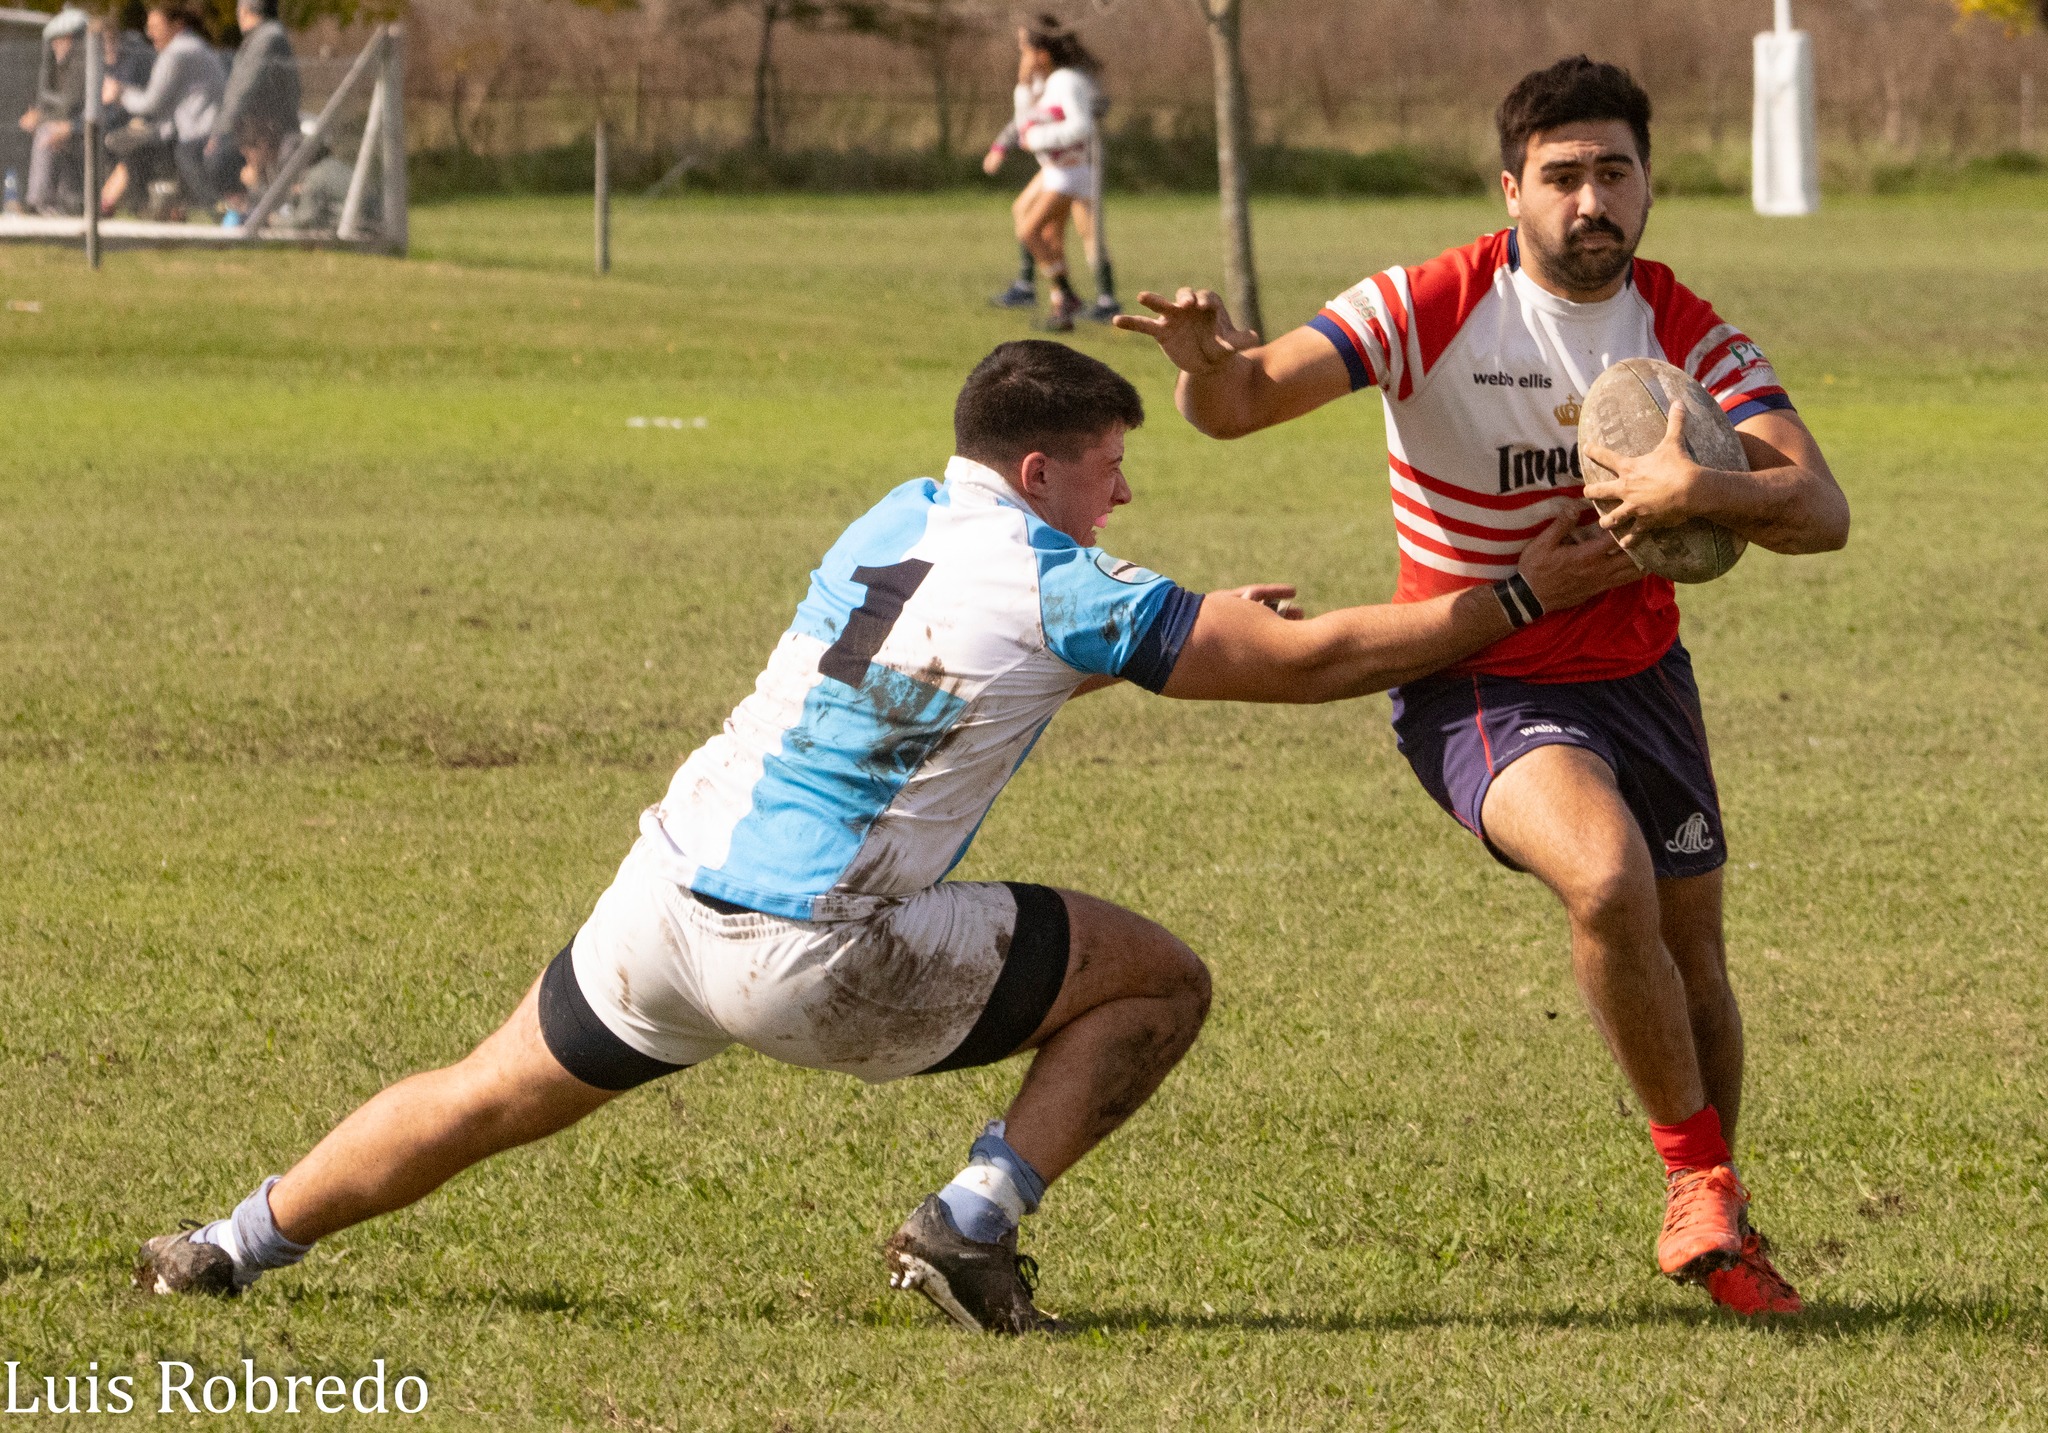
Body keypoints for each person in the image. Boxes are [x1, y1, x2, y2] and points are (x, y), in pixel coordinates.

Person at [135, 340, 1633, 1335]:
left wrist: (1193, 609)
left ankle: (229, 1242)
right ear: (1044, 471)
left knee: (479, 1093)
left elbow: (1056, 612)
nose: (1128, 487)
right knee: (1159, 981)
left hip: (667, 898)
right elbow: (1306, 667)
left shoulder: (898, 514)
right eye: (1112, 465)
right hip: (816, 950)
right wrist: (1519, 600)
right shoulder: (1071, 582)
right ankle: (971, 1226)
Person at [1115, 56, 1850, 1317]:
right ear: (1511, 189)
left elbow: (1818, 508)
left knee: (1692, 956)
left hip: (1641, 675)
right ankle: (1690, 1180)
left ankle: (1720, 1221)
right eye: (1559, 176)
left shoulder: (1685, 328)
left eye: (1612, 172)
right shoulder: (1428, 302)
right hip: (1476, 674)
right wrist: (1199, 361)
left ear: (1647, 185)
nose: (1588, 200)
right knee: (1604, 873)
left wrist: (1699, 493)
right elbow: (1239, 402)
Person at [984, 17, 1118, 331]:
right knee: (1048, 236)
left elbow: (1081, 125)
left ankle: (1069, 295)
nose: (1021, 53)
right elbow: (1025, 121)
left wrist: (1039, 141)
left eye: (1023, 48)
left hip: (1071, 173)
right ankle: (1062, 309)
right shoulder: (1049, 81)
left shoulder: (1067, 81)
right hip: (1056, 171)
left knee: (1029, 231)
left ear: (1042, 52)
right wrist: (1023, 84)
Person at [98, 1, 225, 217]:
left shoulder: (176, 54)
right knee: (139, 148)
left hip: (195, 134)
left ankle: (132, 208)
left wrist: (120, 93)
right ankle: (116, 204)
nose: (149, 33)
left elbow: (151, 104)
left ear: (176, 26)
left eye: (156, 27)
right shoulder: (195, 45)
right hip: (203, 129)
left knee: (134, 149)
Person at [206, 0, 299, 212]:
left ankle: (244, 213)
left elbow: (244, 88)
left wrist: (220, 130)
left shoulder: (268, 38)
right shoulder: (262, 37)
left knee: (220, 160)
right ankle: (244, 212)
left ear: (247, 12)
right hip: (255, 128)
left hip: (266, 130)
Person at [18, 8, 89, 215]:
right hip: (73, 126)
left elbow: (71, 106)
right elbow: (52, 103)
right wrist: (40, 117)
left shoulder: (82, 62)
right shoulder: (61, 66)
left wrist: (41, 119)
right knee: (50, 132)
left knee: (48, 133)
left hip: (92, 125)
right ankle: (62, 202)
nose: (54, 47)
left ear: (69, 39)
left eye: (57, 41)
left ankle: (38, 201)